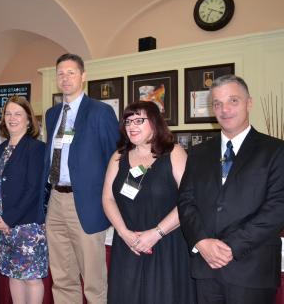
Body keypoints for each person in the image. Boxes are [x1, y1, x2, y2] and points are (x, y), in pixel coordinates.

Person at [178, 75, 284, 304]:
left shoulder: (276, 151)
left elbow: (278, 208)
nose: (225, 109)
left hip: (252, 269)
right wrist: (201, 242)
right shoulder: (198, 153)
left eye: (233, 101)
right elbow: (186, 202)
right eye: (217, 103)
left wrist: (231, 247)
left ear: (249, 103)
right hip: (205, 267)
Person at [42, 53, 119, 303]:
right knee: (62, 277)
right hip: (55, 201)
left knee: (94, 281)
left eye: (71, 73)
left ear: (83, 77)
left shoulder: (100, 112)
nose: (65, 78)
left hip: (85, 203)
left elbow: (114, 158)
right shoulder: (52, 114)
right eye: (61, 74)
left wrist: (108, 201)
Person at [102, 101, 197, 303]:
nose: (131, 126)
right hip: (129, 244)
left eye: (139, 120)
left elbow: (188, 201)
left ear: (154, 122)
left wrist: (156, 233)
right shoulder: (119, 156)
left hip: (166, 243)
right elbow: (108, 198)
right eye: (128, 121)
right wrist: (124, 233)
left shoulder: (174, 153)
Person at [0, 96, 47, 304]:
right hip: (3, 226)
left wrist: (8, 219)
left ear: (29, 120)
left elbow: (33, 190)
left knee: (31, 278)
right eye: (8, 113)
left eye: (18, 114)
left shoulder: (36, 148)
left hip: (27, 226)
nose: (12, 118)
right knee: (13, 275)